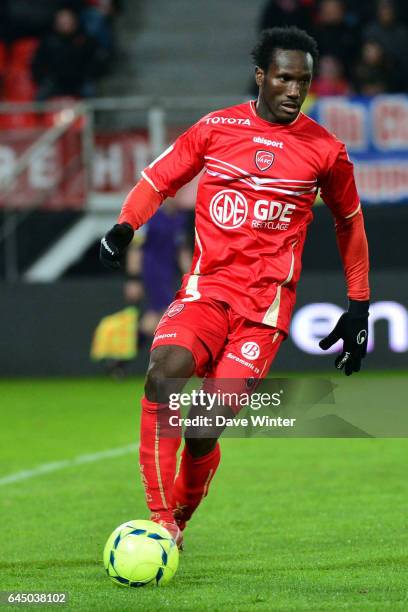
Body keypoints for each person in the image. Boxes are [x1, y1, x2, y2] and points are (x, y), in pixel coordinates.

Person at [100, 27, 370, 548]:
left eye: (304, 81)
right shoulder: (217, 127)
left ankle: (180, 512)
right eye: (285, 78)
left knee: (203, 427)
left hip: (263, 313)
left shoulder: (325, 151)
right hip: (205, 294)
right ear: (262, 76)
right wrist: (124, 225)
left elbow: (350, 223)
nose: (294, 90)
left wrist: (359, 306)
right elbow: (160, 179)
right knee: (162, 376)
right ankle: (160, 523)